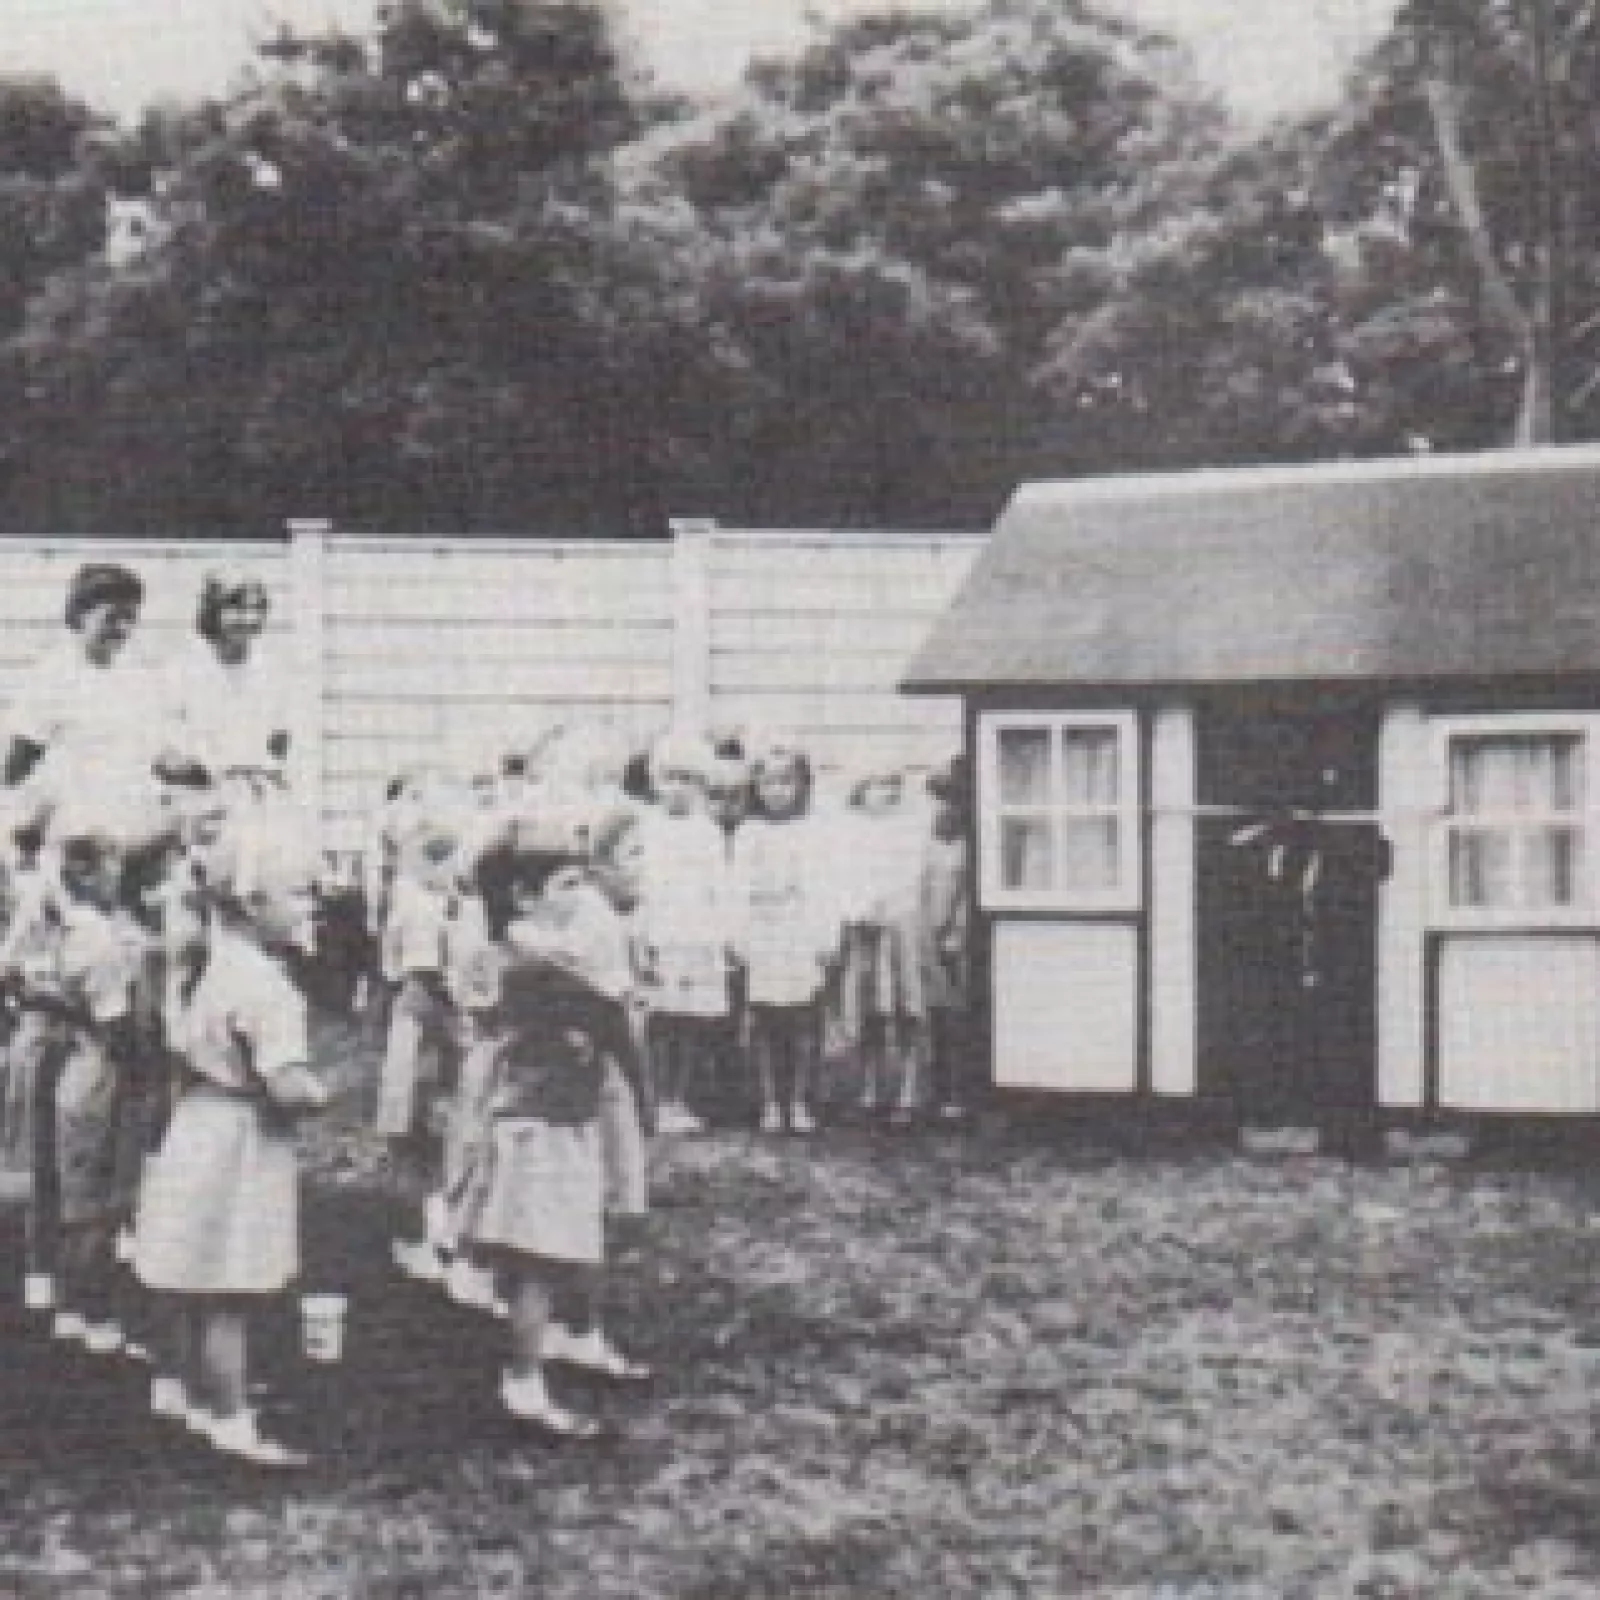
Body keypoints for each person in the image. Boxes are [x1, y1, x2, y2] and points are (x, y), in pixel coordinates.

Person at [133, 805, 329, 1468]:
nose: (311, 905)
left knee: (193, 1274)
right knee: (229, 1288)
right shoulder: (267, 988)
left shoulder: (202, 964)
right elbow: (287, 1084)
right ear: (251, 901)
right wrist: (318, 1094)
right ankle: (231, 1417)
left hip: (196, 1127)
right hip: (240, 1139)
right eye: (299, 892)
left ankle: (191, 1392)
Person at [453, 804, 650, 1436]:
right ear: (523, 896)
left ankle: (571, 1338)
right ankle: (523, 1376)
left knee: (574, 1230)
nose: (582, 895)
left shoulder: (547, 953)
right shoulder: (527, 962)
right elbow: (605, 1016)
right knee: (534, 1253)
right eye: (567, 886)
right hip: (535, 1119)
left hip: (567, 1114)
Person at [730, 741, 840, 1134]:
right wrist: (737, 936)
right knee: (764, 1020)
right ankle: (769, 1102)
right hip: (762, 927)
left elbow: (825, 887)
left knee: (801, 1020)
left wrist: (826, 936)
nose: (777, 791)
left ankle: (798, 1100)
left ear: (801, 785)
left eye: (786, 782)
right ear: (756, 787)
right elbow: (736, 888)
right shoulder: (748, 833)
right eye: (769, 783)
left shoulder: (811, 831)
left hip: (799, 928)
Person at [635, 733, 732, 1136]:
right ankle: (655, 1100)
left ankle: (679, 1098)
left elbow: (719, 888)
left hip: (696, 932)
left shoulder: (708, 832)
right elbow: (638, 884)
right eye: (669, 778)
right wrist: (640, 936)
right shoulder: (645, 827)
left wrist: (721, 937)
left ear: (700, 786)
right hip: (659, 931)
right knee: (659, 1021)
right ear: (656, 781)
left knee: (688, 1021)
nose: (677, 788)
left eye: (687, 780)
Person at [836, 766, 927, 1125]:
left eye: (891, 784)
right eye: (877, 783)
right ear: (861, 788)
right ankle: (870, 1086)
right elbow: (843, 875)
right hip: (864, 928)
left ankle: (907, 1086)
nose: (885, 792)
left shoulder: (907, 830)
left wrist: (884, 905)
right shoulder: (850, 831)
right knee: (869, 1006)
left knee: (906, 1006)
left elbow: (909, 875)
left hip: (898, 923)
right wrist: (858, 908)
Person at [919, 758, 975, 1120]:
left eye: (952, 799)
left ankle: (960, 1090)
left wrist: (956, 929)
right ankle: (938, 1089)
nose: (944, 807)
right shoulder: (926, 838)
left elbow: (970, 891)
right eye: (939, 798)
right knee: (935, 1014)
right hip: (925, 930)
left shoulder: (969, 844)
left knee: (959, 1015)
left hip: (958, 934)